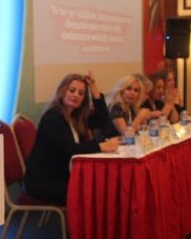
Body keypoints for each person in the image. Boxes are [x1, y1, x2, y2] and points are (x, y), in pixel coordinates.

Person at [24, 72, 120, 203]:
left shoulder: (76, 116)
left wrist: (94, 89)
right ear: (62, 91)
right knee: (97, 191)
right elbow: (69, 149)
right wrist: (100, 146)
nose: (76, 95)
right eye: (72, 90)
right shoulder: (52, 117)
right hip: (45, 181)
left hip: (63, 174)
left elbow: (102, 120)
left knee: (104, 184)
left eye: (81, 93)